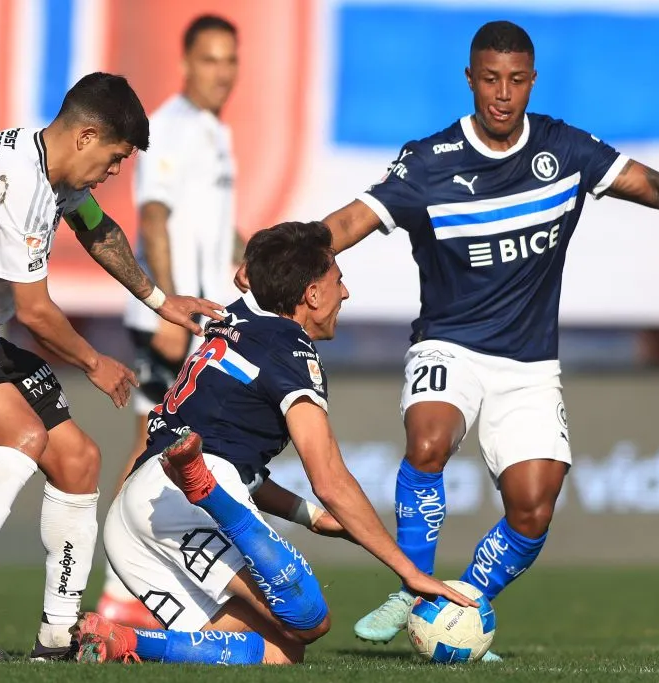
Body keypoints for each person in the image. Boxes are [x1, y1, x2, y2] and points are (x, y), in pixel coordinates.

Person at [238, 20, 659, 656]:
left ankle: (464, 604)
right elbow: (347, 222)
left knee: (534, 507)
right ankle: (414, 590)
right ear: (470, 80)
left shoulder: (565, 150)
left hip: (530, 366)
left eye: (516, 80)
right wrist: (270, 268)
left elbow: (648, 183)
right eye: (490, 79)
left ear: (531, 82)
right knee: (428, 440)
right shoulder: (428, 162)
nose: (503, 93)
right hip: (449, 346)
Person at [0, 72, 223, 661]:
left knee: (79, 460)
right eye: (114, 159)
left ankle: (58, 635)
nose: (113, 173)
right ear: (86, 136)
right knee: (24, 436)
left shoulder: (49, 171)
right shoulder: (21, 184)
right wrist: (94, 361)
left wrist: (161, 301)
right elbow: (34, 311)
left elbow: (97, 229)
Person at [76, 221, 473, 666]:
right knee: (309, 620)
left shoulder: (236, 318)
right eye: (337, 281)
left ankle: (123, 642)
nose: (346, 294)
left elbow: (235, 460)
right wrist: (411, 573)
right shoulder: (291, 350)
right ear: (311, 295)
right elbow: (330, 480)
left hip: (134, 510)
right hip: (193, 496)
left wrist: (311, 518)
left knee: (280, 653)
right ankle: (211, 496)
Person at [98, 14, 244, 626]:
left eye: (230, 61)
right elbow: (153, 217)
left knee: (180, 448)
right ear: (186, 64)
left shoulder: (214, 132)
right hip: (172, 318)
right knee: (152, 446)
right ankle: (116, 590)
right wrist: (167, 305)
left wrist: (255, 260)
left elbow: (217, 228)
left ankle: (144, 586)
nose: (222, 73)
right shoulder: (175, 128)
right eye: (211, 60)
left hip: (203, 317)